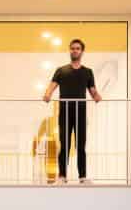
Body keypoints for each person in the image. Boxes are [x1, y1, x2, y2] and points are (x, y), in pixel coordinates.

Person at [42, 38, 102, 183]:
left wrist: (97, 96)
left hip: (80, 112)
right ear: (70, 50)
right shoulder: (61, 70)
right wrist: (47, 94)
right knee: (65, 144)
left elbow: (93, 91)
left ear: (82, 51)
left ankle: (82, 177)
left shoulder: (87, 72)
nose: (75, 51)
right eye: (72, 48)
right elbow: (51, 86)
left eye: (77, 48)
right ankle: (62, 176)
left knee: (81, 145)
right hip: (65, 112)